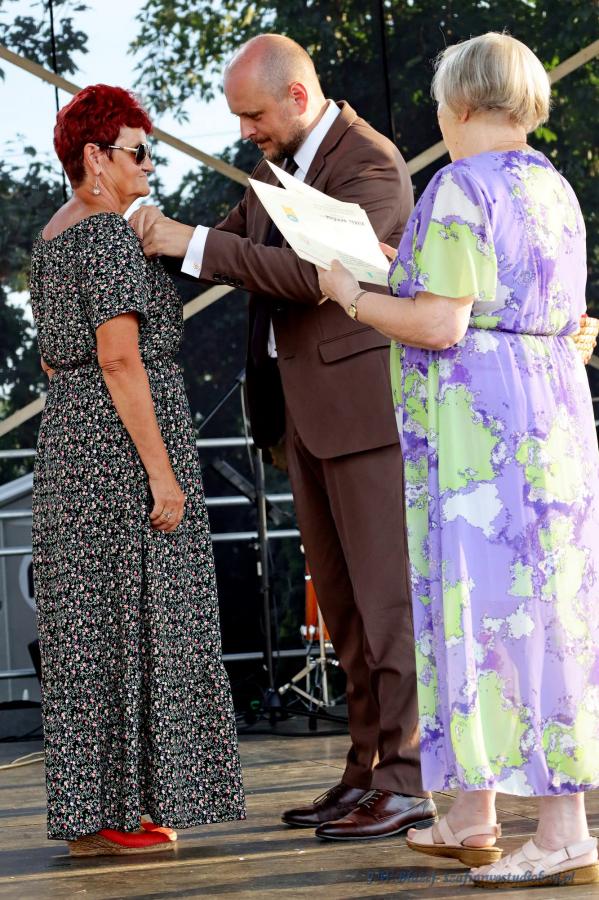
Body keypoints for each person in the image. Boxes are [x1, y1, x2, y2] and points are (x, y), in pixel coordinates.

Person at [130, 33, 437, 840]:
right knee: (343, 612)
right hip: (300, 419)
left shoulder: (369, 163)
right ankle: (366, 771)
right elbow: (225, 252)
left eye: (252, 115)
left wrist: (189, 240)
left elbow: (317, 276)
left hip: (362, 417)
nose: (244, 131)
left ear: (297, 96)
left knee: (387, 607)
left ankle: (409, 781)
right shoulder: (275, 168)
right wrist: (135, 234)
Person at [318, 32, 599, 888]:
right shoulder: (552, 187)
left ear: (462, 103)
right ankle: (472, 815)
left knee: (486, 609)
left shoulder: (458, 186)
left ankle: (563, 832)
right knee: (541, 610)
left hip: (483, 433)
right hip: (551, 415)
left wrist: (353, 296)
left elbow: (441, 323)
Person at [29, 84, 245, 856]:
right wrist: (162, 473)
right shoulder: (106, 237)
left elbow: (56, 359)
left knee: (89, 630)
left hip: (71, 445)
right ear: (95, 158)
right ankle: (121, 813)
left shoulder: (53, 235)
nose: (149, 165)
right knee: (138, 623)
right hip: (122, 452)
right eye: (138, 152)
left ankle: (95, 814)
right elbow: (120, 360)